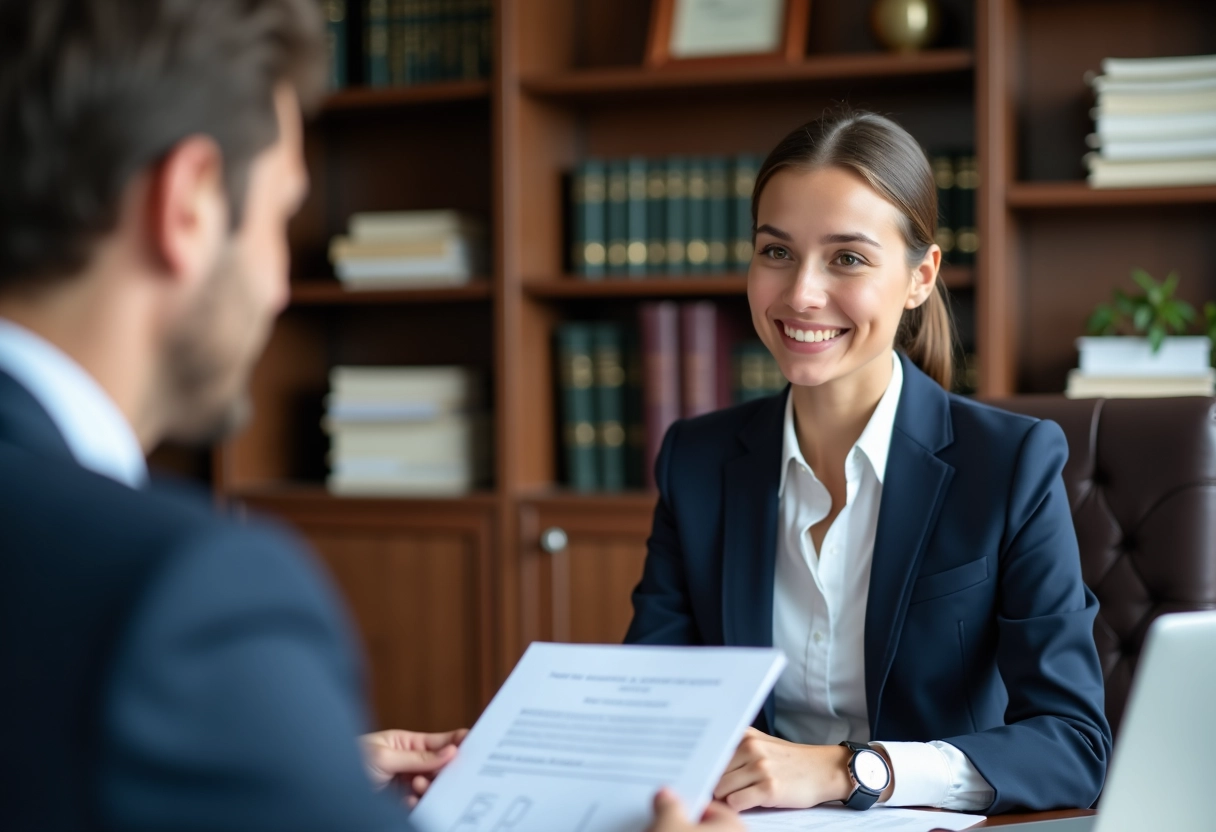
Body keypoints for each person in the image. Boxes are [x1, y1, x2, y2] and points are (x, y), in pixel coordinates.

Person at [0, 2, 739, 830]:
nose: (280, 288)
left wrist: (291, 769)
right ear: (190, 204)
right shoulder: (184, 596)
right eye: (282, 218)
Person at [625, 111, 1113, 816]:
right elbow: (649, 705)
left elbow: (1073, 746)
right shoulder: (696, 461)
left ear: (920, 276)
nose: (801, 294)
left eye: (847, 258)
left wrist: (849, 769)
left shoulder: (1010, 465)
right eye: (776, 251)